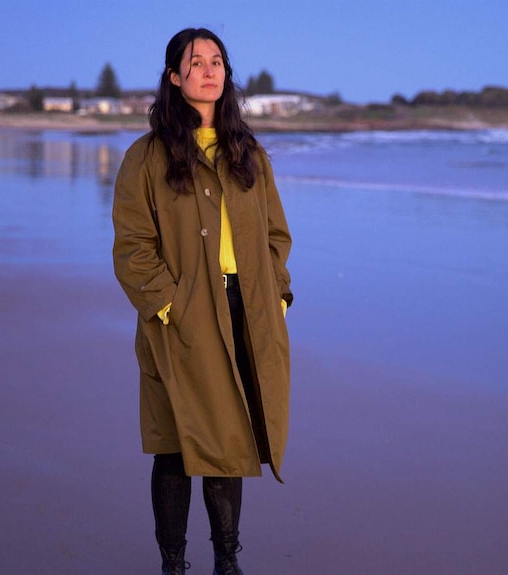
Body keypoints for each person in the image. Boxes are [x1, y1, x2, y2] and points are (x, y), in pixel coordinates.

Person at [112, 27, 293, 575]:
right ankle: (172, 563)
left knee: (228, 435)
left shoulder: (249, 154)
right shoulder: (145, 158)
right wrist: (170, 307)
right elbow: (133, 247)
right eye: (196, 63)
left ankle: (226, 561)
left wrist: (277, 295)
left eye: (218, 61)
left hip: (246, 310)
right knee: (173, 441)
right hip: (181, 317)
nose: (209, 71)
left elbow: (275, 236)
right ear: (174, 76)